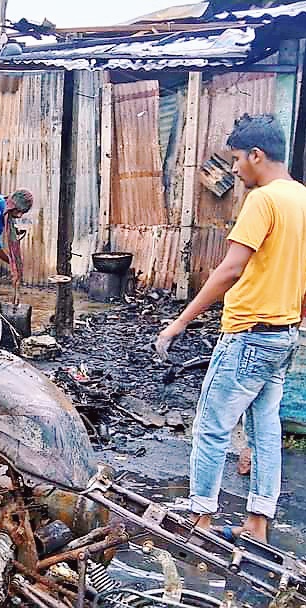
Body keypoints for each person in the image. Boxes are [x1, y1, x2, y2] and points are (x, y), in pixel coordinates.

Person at [156, 114, 306, 543]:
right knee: (265, 427)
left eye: (238, 159)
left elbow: (231, 269)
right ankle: (258, 521)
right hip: (283, 335)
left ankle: (200, 515)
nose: (236, 168)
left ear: (257, 155)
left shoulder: (263, 200)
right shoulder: (303, 198)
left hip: (249, 335)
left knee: (211, 426)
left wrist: (180, 323)